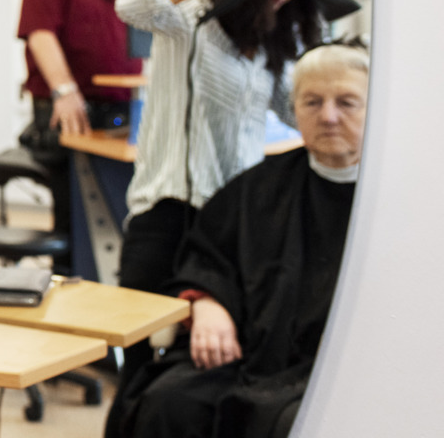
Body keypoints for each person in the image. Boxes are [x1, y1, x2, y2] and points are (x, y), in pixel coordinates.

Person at [110, 0, 325, 392]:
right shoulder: (190, 16)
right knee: (144, 373)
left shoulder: (273, 39)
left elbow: (297, 112)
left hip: (236, 228)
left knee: (222, 367)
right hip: (168, 216)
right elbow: (131, 5)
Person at [108, 42, 368, 438]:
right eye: (312, 102)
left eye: (347, 102)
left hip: (343, 367)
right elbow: (209, 257)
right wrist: (209, 302)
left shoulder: (395, 207)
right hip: (247, 353)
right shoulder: (259, 188)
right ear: (293, 109)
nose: (328, 116)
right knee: (169, 401)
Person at [16, 0, 144, 275]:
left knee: (126, 206)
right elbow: (40, 34)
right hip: (68, 108)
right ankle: (72, 282)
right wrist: (65, 91)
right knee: (77, 208)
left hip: (124, 108)